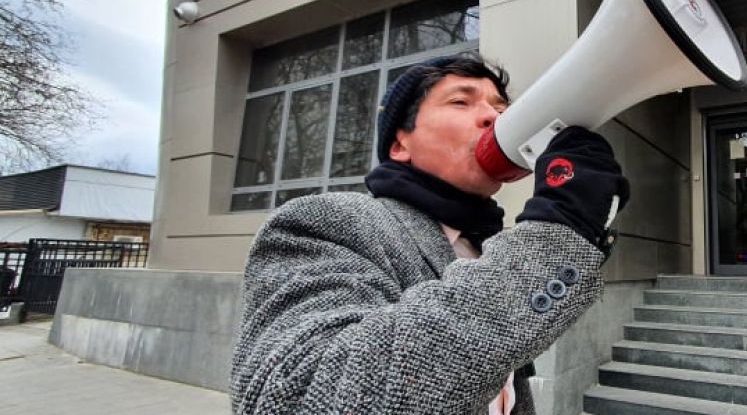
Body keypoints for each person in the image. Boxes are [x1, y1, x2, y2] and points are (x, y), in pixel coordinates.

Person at [230, 53, 630, 414]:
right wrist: (558, 231)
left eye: (500, 108)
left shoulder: (491, 248)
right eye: (460, 101)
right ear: (400, 144)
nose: (496, 118)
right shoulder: (325, 222)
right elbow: (298, 397)